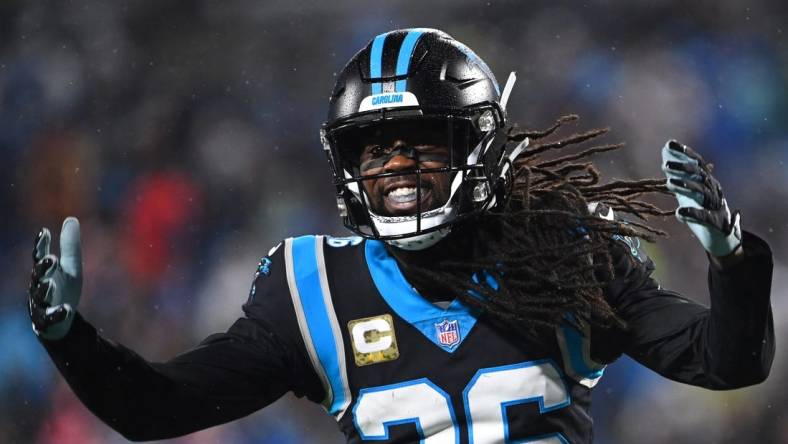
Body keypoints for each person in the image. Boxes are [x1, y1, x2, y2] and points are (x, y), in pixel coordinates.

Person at [28, 28, 774, 444]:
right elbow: (156, 408)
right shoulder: (312, 291)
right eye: (375, 150)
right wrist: (69, 337)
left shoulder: (566, 255)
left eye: (421, 143)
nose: (397, 169)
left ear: (476, 149)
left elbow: (727, 361)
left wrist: (731, 262)